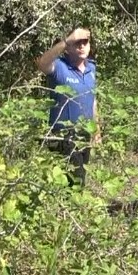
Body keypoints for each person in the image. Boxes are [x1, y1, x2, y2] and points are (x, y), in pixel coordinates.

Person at [36, 26, 99, 186]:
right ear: (68, 48)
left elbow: (92, 99)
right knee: (72, 183)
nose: (81, 46)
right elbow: (42, 63)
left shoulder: (91, 68)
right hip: (63, 135)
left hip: (84, 133)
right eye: (76, 43)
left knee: (80, 180)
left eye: (85, 42)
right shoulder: (59, 67)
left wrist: (96, 128)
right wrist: (67, 40)